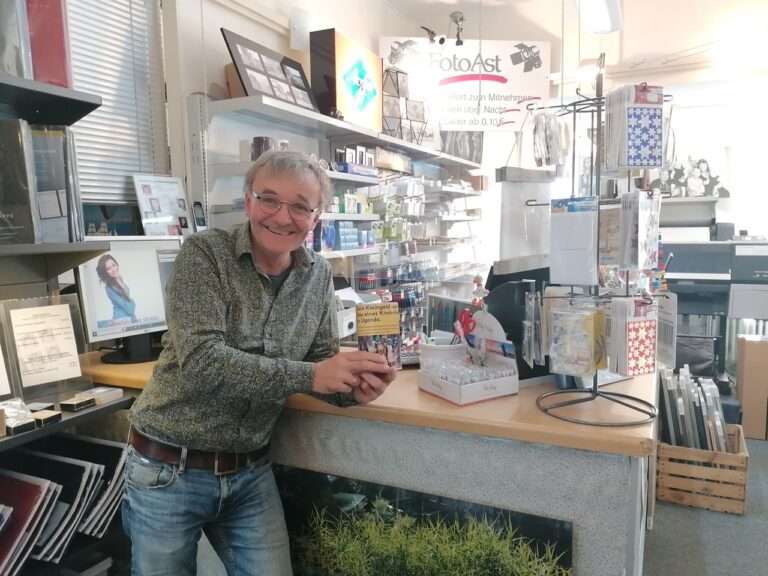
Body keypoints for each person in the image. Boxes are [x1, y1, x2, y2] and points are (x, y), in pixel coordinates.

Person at [123, 149, 396, 576]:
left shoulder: (318, 275)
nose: (282, 217)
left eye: (300, 206)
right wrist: (314, 374)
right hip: (167, 469)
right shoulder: (204, 255)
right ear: (248, 202)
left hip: (249, 472)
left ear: (316, 216)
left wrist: (356, 387)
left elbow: (320, 362)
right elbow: (202, 361)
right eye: (269, 199)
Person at [95, 254, 136, 321]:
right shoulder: (109, 288)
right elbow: (130, 310)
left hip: (129, 318)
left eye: (113, 265)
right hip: (121, 320)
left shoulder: (119, 277)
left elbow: (127, 301)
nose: (113, 269)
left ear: (116, 264)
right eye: (109, 269)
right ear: (105, 272)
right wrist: (133, 302)